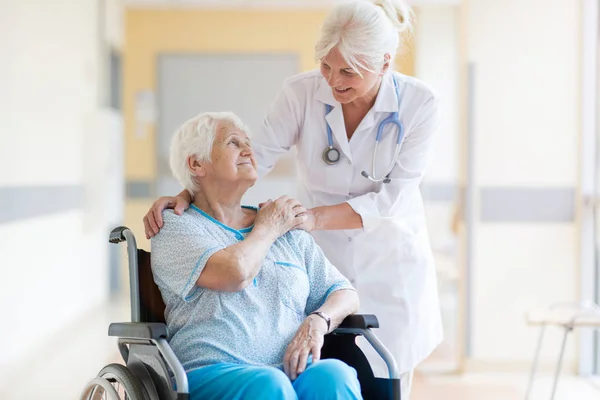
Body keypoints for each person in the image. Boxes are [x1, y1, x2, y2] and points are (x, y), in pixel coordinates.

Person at [145, 0, 442, 397]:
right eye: (326, 66)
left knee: (373, 377)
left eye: (349, 72)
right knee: (298, 374)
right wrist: (189, 191)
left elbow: (393, 198)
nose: (333, 81)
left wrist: (305, 223)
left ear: (385, 64)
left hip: (388, 259)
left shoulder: (420, 104)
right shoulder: (301, 94)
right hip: (305, 267)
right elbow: (257, 155)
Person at [151, 111, 361, 400]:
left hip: (291, 372)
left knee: (334, 376)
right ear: (196, 163)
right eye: (233, 143)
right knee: (268, 385)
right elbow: (235, 273)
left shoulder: (287, 230)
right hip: (212, 372)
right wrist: (268, 227)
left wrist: (319, 320)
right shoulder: (176, 226)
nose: (249, 150)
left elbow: (345, 293)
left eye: (248, 143)